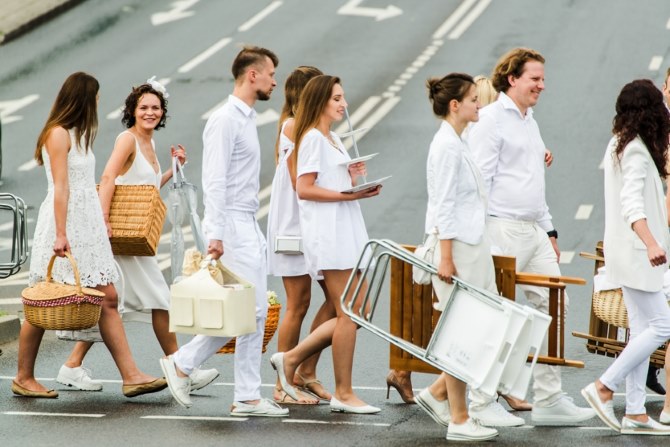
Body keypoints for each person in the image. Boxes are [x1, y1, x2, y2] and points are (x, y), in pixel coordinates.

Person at [54, 79, 219, 393]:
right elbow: (108, 177)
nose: (150, 112)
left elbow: (146, 190)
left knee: (114, 307)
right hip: (117, 236)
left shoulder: (151, 143)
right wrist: (102, 221)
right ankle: (180, 367)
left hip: (135, 238)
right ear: (131, 111)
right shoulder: (127, 139)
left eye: (155, 107)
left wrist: (172, 169)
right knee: (159, 299)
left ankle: (72, 366)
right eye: (143, 107)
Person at [13, 72, 167, 399]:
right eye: (95, 97)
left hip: (87, 225)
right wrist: (59, 234)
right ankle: (24, 377)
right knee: (44, 300)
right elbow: (60, 188)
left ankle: (132, 376)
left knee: (108, 298)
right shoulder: (57, 134)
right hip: (65, 224)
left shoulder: (78, 134)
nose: (98, 103)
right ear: (83, 98)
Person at [468, 48, 596, 426]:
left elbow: (532, 183)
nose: (542, 84)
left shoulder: (528, 120)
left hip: (534, 229)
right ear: (512, 79)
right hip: (500, 229)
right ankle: (480, 401)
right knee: (497, 316)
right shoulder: (491, 120)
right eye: (534, 78)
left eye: (542, 78)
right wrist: (483, 239)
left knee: (555, 305)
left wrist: (550, 228)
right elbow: (479, 183)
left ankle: (549, 399)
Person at [159, 46, 289, 417]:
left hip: (247, 220)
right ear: (252, 75)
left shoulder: (246, 118)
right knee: (250, 309)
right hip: (230, 223)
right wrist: (215, 234)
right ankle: (205, 374)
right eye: (270, 74)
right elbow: (213, 180)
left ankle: (228, 386)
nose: (274, 82)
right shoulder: (225, 120)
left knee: (250, 310)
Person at [269, 75, 382, 414]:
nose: (343, 104)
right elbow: (304, 188)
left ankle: (292, 359)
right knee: (351, 310)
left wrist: (354, 180)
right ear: (319, 101)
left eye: (343, 98)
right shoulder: (312, 138)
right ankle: (343, 392)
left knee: (354, 310)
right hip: (329, 233)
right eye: (337, 98)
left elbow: (331, 180)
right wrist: (348, 193)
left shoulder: (330, 138)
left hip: (345, 229)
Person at [412, 73, 499, 442]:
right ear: (455, 106)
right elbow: (443, 205)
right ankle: (460, 419)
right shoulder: (446, 146)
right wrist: (446, 258)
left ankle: (439, 396)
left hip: (471, 245)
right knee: (461, 334)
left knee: (475, 331)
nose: (479, 105)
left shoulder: (457, 141)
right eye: (474, 100)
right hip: (458, 249)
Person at [581, 79, 670, 435]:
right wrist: (651, 243)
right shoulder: (634, 151)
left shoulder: (620, 143)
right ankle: (604, 386)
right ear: (651, 113)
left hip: (624, 254)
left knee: (640, 331)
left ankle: (635, 412)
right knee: (663, 325)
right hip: (637, 255)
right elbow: (632, 204)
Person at [267, 66, 335, 404]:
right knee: (298, 303)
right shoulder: (294, 127)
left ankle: (306, 372)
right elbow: (299, 183)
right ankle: (284, 385)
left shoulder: (309, 128)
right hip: (294, 224)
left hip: (313, 223)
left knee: (338, 301)